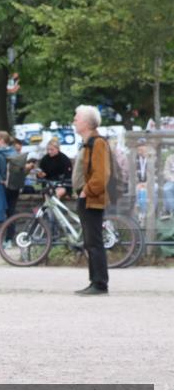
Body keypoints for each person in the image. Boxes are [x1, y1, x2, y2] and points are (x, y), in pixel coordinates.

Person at [72, 105, 110, 296]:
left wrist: (85, 191)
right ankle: (95, 281)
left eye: (76, 118)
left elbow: (101, 175)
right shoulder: (87, 143)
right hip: (86, 197)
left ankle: (100, 284)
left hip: (91, 198)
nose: (74, 121)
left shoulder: (98, 143)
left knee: (94, 242)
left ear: (87, 123)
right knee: (90, 242)